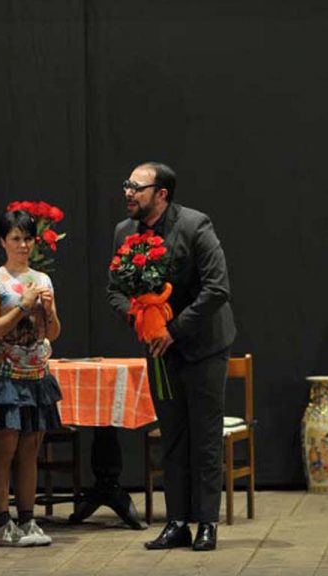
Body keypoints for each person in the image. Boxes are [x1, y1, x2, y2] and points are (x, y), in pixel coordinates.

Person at [108, 161, 237, 551]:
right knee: (173, 437)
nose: (129, 193)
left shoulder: (195, 226)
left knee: (205, 437)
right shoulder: (124, 231)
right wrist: (140, 319)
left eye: (137, 187)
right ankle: (177, 521)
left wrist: (172, 330)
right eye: (127, 185)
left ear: (161, 194)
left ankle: (207, 523)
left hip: (202, 346)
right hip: (158, 349)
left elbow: (217, 289)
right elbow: (115, 290)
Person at [0, 208, 63, 547]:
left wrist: (48, 311)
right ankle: (0, 522)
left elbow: (53, 332)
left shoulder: (43, 280)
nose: (23, 245)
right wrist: (22, 307)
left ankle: (27, 520)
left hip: (36, 375)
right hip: (5, 377)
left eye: (28, 239)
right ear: (3, 241)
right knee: (4, 449)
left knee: (30, 450)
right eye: (16, 238)